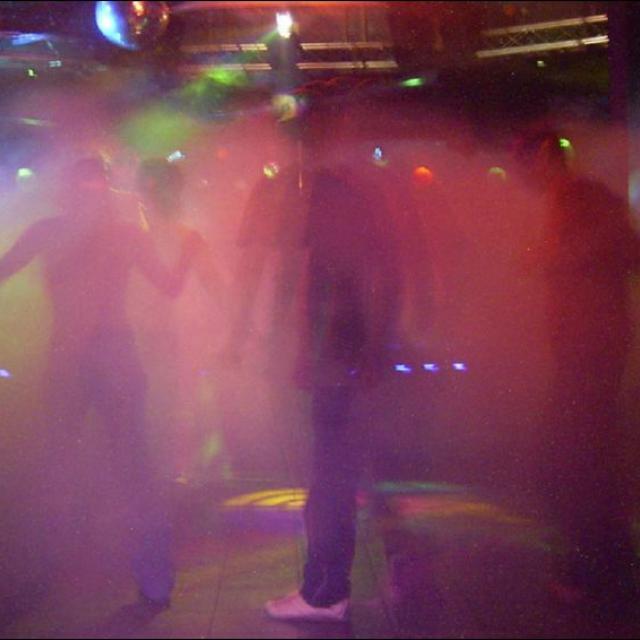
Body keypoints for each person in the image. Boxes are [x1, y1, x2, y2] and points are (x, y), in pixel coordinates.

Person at [0, 157, 198, 607]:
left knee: (65, 461)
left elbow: (4, 269)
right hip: (106, 358)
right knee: (126, 466)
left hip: (83, 358)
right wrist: (189, 251)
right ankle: (148, 579)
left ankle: (48, 570)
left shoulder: (54, 231)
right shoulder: (118, 233)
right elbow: (170, 286)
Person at [265, 165, 400, 622]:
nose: (304, 208)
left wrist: (351, 359)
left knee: (330, 488)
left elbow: (351, 307)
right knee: (330, 486)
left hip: (340, 378)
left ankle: (325, 593)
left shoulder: (341, 247)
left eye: (311, 200)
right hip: (340, 376)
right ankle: (323, 587)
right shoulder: (349, 244)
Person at [520, 131, 640, 613]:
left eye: (527, 160)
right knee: (584, 458)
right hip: (590, 348)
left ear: (547, 157)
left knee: (577, 461)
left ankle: (590, 574)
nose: (523, 174)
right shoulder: (576, 199)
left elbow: (618, 252)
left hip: (590, 349)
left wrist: (550, 259)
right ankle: (603, 569)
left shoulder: (581, 198)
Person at [134, 157, 226, 485]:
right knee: (163, 406)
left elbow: (215, 288)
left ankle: (168, 477)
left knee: (166, 405)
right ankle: (167, 477)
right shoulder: (136, 236)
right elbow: (216, 289)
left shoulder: (178, 237)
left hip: (166, 335)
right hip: (141, 335)